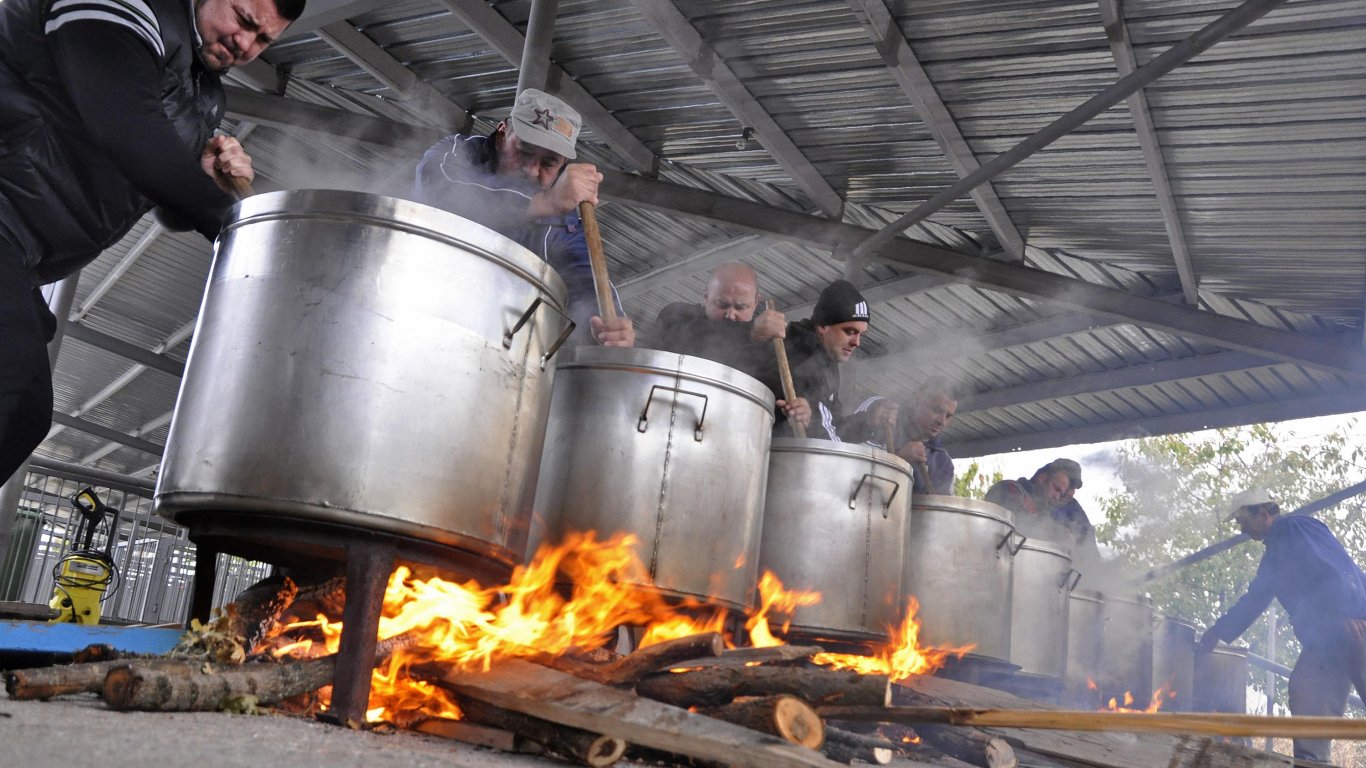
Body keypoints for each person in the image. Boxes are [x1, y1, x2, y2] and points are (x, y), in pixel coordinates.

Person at [0, 0, 303, 484]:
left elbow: (160, 203)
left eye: (263, 40)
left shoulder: (204, 96)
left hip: (20, 255)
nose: (245, 44)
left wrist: (205, 179)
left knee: (25, 416)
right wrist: (241, 222)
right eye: (243, 20)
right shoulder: (127, 6)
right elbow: (125, 124)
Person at [413, 88, 635, 348]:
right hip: (418, 311)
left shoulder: (562, 221)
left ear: (562, 164)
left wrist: (612, 328)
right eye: (524, 151)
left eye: (548, 163)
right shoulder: (456, 154)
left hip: (495, 346)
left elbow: (586, 282)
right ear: (501, 134)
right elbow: (443, 190)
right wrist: (544, 202)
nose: (531, 170)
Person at [1197, 489, 1366, 763]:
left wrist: (1351, 610)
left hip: (1355, 625)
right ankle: (1311, 763)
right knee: (1306, 691)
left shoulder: (1295, 527)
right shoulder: (1273, 558)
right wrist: (1218, 631)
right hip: (1324, 642)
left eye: (1243, 520)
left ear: (1264, 514)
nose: (1241, 528)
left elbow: (1336, 566)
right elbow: (1254, 600)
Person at [759, 279, 869, 441]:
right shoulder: (803, 357)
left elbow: (834, 423)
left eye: (861, 334)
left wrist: (868, 422)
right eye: (849, 331)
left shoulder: (826, 359)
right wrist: (808, 417)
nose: (856, 342)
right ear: (823, 326)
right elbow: (829, 444)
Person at [650, 262, 786, 372]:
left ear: (756, 302)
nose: (730, 315)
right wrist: (749, 331)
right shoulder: (676, 316)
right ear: (706, 297)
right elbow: (691, 338)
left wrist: (801, 405)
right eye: (721, 304)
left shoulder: (767, 350)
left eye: (740, 307)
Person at [840, 377, 959, 495]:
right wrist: (899, 460)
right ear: (919, 399)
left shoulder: (942, 464)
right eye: (937, 410)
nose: (942, 421)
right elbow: (845, 464)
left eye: (948, 416)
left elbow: (936, 511)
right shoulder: (882, 412)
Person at [985, 459, 1083, 541]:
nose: (1057, 497)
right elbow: (1021, 520)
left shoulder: (1044, 510)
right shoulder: (1009, 488)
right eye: (1056, 489)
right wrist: (1057, 532)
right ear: (1042, 478)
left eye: (1061, 494)